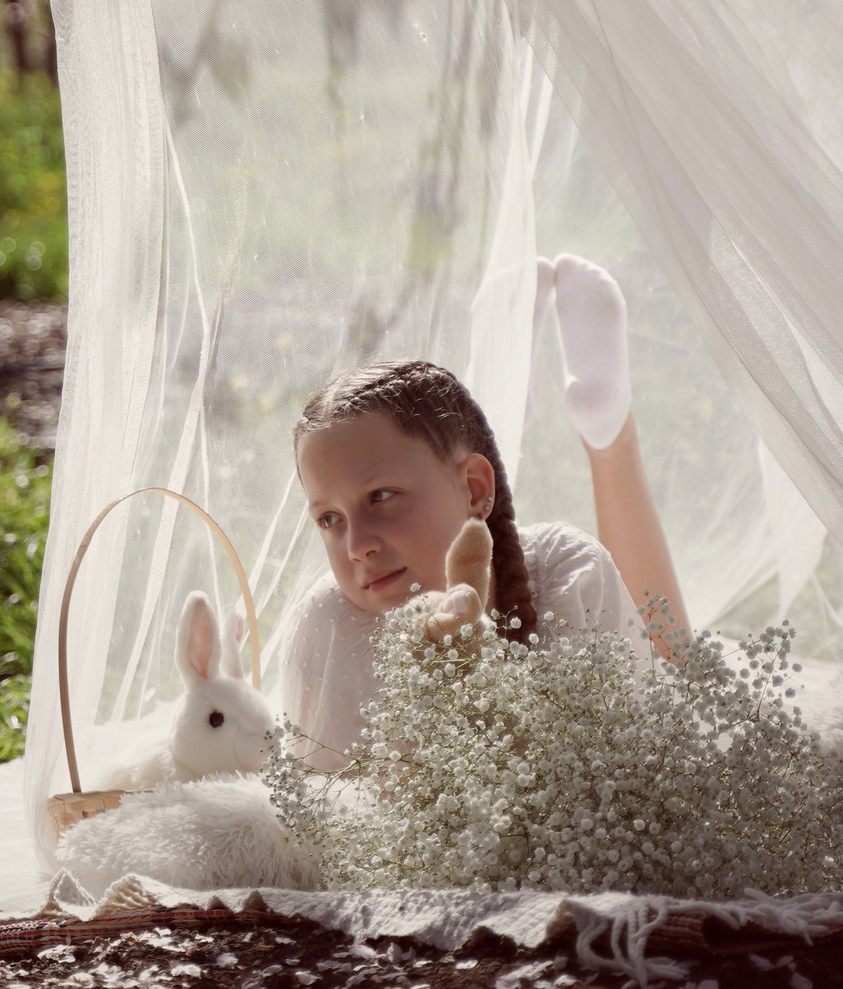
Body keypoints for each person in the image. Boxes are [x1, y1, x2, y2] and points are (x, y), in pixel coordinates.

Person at [277, 255, 690, 767]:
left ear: (475, 487)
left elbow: (631, 764)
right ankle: (521, 413)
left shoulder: (565, 572)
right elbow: (320, 802)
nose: (357, 544)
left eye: (380, 497)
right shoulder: (328, 624)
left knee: (682, 682)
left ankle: (610, 435)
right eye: (328, 519)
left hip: (620, 767)